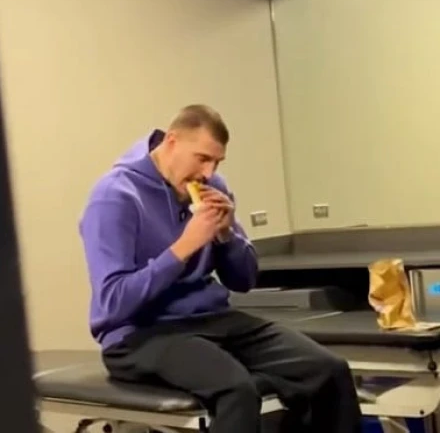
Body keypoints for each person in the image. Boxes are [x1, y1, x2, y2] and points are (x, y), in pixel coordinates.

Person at [79, 104, 362, 433]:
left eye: (216, 162)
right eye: (202, 158)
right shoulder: (115, 196)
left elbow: (244, 280)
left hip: (212, 321)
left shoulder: (213, 187)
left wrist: (227, 236)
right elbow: (113, 302)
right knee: (236, 390)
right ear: (172, 141)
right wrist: (185, 247)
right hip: (139, 335)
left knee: (328, 370)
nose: (208, 172)